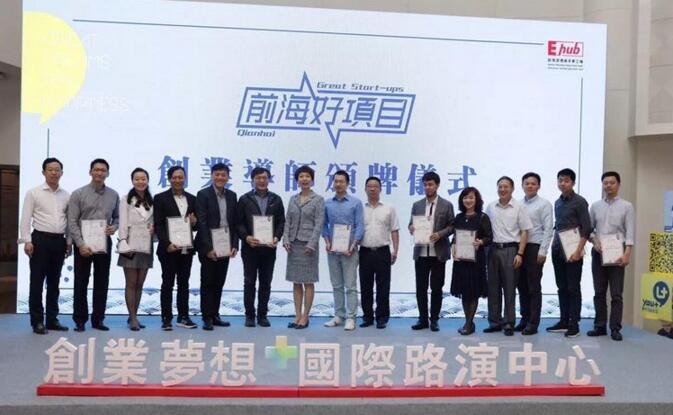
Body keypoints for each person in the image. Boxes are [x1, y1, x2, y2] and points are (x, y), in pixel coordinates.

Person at [19, 157, 72, 334]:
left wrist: (69, 242)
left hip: (59, 241)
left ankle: (52, 319)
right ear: (44, 172)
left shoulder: (66, 195)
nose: (54, 173)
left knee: (54, 283)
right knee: (37, 282)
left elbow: (69, 220)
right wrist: (27, 240)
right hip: (40, 240)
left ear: (62, 173)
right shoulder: (34, 193)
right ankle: (37, 321)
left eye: (57, 170)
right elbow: (25, 218)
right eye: (50, 170)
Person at [68, 158, 119, 332]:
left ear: (108, 173)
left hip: (104, 242)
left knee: (102, 282)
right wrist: (80, 244)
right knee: (81, 282)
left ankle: (98, 319)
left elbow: (117, 218)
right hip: (83, 243)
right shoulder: (78, 194)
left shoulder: (113, 195)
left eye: (103, 170)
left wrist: (114, 227)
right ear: (90, 172)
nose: (99, 173)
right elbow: (72, 221)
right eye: (96, 169)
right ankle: (80, 320)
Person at [588, 171, 634, 341]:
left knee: (616, 293)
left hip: (617, 251)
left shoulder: (627, 206)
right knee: (599, 292)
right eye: (605, 183)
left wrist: (627, 253)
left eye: (612, 182)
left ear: (618, 185)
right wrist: (594, 241)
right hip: (599, 251)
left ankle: (615, 328)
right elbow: (590, 229)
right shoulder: (595, 206)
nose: (608, 185)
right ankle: (600, 326)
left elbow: (630, 231)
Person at [237, 167, 285, 327]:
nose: (262, 181)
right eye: (258, 178)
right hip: (250, 248)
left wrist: (277, 237)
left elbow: (281, 222)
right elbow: (238, 223)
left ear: (268, 179)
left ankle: (262, 315)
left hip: (269, 249)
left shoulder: (276, 199)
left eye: (264, 178)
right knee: (249, 282)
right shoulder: (245, 199)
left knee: (265, 283)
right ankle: (249, 316)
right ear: (252, 180)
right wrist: (246, 237)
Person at [546, 168, 591, 338]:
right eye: (560, 180)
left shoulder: (580, 202)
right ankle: (564, 321)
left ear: (573, 182)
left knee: (573, 287)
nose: (562, 183)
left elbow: (586, 228)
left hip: (574, 250)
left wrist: (579, 251)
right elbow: (558, 226)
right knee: (561, 287)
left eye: (566, 180)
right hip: (558, 249)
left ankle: (574, 324)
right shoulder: (558, 202)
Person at [484, 176, 532, 336]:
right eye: (500, 186)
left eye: (506, 186)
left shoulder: (519, 207)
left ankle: (509, 323)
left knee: (510, 288)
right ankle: (494, 322)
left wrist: (520, 253)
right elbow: (485, 230)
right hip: (492, 250)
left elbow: (525, 231)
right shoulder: (491, 207)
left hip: (511, 250)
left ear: (512, 189)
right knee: (493, 288)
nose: (502, 189)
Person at [409, 171, 455, 332]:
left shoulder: (446, 205)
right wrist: (412, 228)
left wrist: (440, 234)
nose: (427, 187)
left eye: (430, 184)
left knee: (436, 288)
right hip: (421, 252)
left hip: (438, 253)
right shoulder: (417, 205)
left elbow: (452, 226)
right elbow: (411, 224)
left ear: (437, 185)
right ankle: (422, 319)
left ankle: (434, 319)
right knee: (420, 288)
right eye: (425, 184)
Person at [195, 163, 238, 331]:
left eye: (223, 175)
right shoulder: (203, 194)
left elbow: (234, 223)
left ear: (228, 177)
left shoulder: (232, 196)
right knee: (208, 281)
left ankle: (215, 314)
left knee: (219, 281)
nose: (220, 177)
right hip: (208, 245)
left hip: (225, 244)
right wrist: (208, 248)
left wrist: (234, 245)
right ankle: (206, 316)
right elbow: (202, 222)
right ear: (212, 176)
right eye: (217, 174)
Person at [154, 165, 198, 331]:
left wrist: (194, 223)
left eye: (181, 177)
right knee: (167, 283)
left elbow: (195, 226)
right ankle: (166, 318)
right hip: (168, 249)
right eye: (175, 177)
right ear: (169, 179)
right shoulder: (160, 198)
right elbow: (158, 224)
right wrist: (167, 244)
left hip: (186, 248)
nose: (178, 180)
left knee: (184, 283)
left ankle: (183, 316)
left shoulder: (192, 199)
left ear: (185, 179)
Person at [283, 165, 324, 330]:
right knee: (296, 281)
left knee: (308, 281)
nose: (304, 179)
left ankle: (305, 316)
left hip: (309, 246)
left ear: (312, 180)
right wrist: (286, 239)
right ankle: (297, 315)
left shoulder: (318, 199)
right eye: (301, 177)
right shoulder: (293, 199)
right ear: (297, 180)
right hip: (293, 244)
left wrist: (312, 244)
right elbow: (288, 221)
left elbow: (319, 223)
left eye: (307, 176)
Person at [322, 170, 364, 331]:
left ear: (347, 184)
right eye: (336, 181)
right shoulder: (327, 203)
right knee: (336, 285)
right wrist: (327, 242)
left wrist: (352, 246)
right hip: (333, 251)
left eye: (341, 181)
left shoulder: (355, 203)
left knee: (350, 285)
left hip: (350, 251)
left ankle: (351, 317)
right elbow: (324, 225)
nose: (338, 184)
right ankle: (339, 315)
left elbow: (359, 226)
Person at [450, 187, 492, 335]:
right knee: (464, 291)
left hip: (476, 260)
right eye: (465, 198)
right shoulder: (459, 217)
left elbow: (489, 237)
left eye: (471, 197)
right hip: (461, 260)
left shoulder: (482, 217)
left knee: (473, 291)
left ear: (477, 200)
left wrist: (481, 242)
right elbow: (455, 236)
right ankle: (468, 322)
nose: (468, 200)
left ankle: (469, 323)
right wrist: (453, 248)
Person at [359, 176, 400, 329]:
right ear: (365, 189)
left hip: (383, 251)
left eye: (375, 186)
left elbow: (395, 230)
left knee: (383, 286)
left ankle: (382, 318)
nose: (372, 189)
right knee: (365, 286)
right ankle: (367, 317)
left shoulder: (389, 208)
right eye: (369, 186)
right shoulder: (360, 208)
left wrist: (395, 250)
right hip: (364, 251)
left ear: (380, 189)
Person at [117, 168, 154, 331]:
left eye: (143, 178)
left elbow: (153, 222)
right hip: (130, 244)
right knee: (131, 283)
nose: (140, 182)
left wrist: (154, 229)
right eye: (137, 179)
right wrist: (123, 241)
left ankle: (134, 315)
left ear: (148, 180)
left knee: (140, 283)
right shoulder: (126, 199)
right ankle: (132, 318)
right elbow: (123, 222)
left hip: (146, 245)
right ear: (132, 181)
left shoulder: (152, 200)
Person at [517, 172, 554, 335]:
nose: (530, 186)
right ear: (522, 185)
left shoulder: (544, 204)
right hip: (520, 248)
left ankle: (533, 323)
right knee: (521, 286)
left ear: (538, 186)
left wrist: (543, 251)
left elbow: (548, 229)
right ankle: (524, 319)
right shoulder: (518, 204)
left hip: (535, 248)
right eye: (527, 183)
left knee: (533, 287)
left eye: (533, 183)